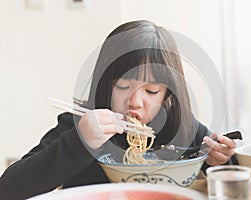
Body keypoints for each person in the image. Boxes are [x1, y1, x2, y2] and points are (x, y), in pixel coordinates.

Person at [0, 20, 236, 199]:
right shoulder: (79, 125)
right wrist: (78, 142)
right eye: (123, 86)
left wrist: (219, 161)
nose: (135, 101)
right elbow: (8, 189)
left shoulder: (182, 128)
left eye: (151, 91)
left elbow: (235, 179)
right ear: (106, 83)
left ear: (167, 95)